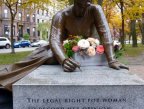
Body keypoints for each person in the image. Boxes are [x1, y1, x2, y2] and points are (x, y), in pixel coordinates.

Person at [0, 0, 128, 91]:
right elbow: (55, 40)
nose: (84, 8)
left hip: (85, 50)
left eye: (87, 4)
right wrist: (64, 60)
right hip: (61, 50)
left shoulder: (95, 10)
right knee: (40, 58)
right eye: (80, 4)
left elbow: (105, 32)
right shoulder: (61, 15)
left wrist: (111, 59)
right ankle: (6, 77)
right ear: (74, 2)